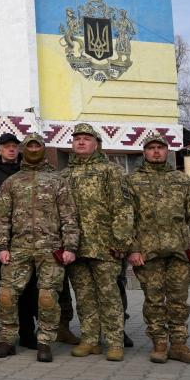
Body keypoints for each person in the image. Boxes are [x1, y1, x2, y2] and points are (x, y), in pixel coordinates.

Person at [0, 134, 78, 363]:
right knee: (7, 296)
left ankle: (45, 341)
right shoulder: (13, 182)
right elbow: (1, 218)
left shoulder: (57, 181)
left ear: (43, 148)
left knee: (48, 297)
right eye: (30, 145)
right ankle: (7, 339)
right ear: (23, 149)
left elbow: (69, 216)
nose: (34, 149)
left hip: (51, 249)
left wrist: (70, 246)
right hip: (18, 248)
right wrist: (2, 246)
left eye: (38, 144)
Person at [127, 133, 190, 364]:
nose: (155, 152)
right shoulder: (132, 181)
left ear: (167, 151)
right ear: (144, 152)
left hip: (179, 252)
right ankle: (160, 344)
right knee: (153, 301)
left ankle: (179, 345)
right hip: (147, 253)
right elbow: (125, 218)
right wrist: (132, 249)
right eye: (151, 148)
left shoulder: (181, 180)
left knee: (178, 300)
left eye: (160, 148)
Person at [61, 123, 134, 361]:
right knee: (83, 296)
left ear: (96, 143)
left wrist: (121, 242)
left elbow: (122, 208)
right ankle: (90, 339)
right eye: (77, 139)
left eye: (86, 139)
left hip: (105, 247)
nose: (81, 142)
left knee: (109, 295)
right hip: (77, 247)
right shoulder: (65, 175)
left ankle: (114, 342)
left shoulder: (110, 171)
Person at [0, 132, 37, 349]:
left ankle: (27, 332)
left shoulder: (28, 172)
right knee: (5, 290)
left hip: (27, 241)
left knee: (29, 290)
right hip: (1, 241)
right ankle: (7, 334)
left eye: (15, 146)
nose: (11, 149)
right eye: (6, 146)